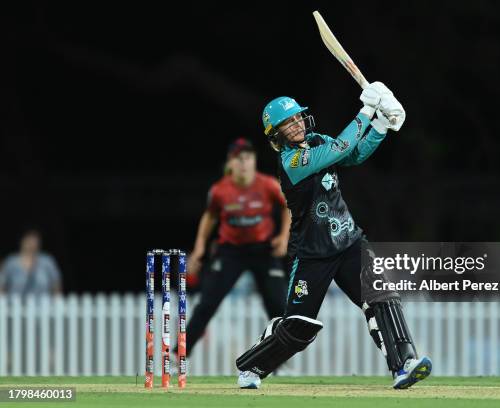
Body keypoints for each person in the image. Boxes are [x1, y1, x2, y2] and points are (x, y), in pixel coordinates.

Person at [235, 83, 432, 389]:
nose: (297, 124)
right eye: (288, 123)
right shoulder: (292, 163)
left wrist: (381, 125)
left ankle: (404, 364)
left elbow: (352, 155)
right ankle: (252, 367)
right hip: (312, 253)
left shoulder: (316, 141)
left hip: (349, 242)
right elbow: (340, 147)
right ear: (276, 134)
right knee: (299, 327)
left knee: (382, 297)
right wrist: (367, 111)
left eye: (298, 117)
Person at [175, 138, 291, 360]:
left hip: (263, 251)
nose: (244, 163)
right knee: (207, 303)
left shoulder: (267, 185)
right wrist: (199, 248)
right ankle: (179, 355)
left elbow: (287, 206)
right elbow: (209, 216)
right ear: (231, 163)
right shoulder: (220, 190)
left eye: (248, 158)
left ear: (254, 161)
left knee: (278, 307)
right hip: (231, 252)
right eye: (239, 159)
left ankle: (277, 361)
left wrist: (283, 237)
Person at [0, 229, 62, 296]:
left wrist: (57, 301)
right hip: (15, 303)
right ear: (22, 241)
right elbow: (2, 284)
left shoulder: (47, 261)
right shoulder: (11, 262)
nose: (32, 244)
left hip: (44, 303)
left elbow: (56, 284)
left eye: (35, 241)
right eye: (29, 241)